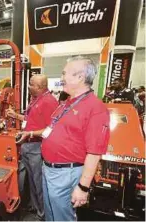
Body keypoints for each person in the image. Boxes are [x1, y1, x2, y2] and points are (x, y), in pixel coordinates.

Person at [41, 56, 110, 221]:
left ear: (80, 77)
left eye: (65, 73)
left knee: (62, 217)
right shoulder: (67, 102)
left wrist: (83, 187)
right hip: (49, 169)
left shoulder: (95, 108)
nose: (61, 78)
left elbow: (94, 153)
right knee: (51, 215)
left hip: (66, 173)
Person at [6, 74, 58, 220]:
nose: (28, 86)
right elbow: (30, 120)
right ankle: (36, 208)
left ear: (40, 87)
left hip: (36, 147)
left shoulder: (49, 102)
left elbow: (51, 129)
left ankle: (43, 214)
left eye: (31, 84)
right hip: (27, 145)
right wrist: (15, 116)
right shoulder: (36, 99)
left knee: (39, 182)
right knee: (32, 182)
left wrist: (30, 134)